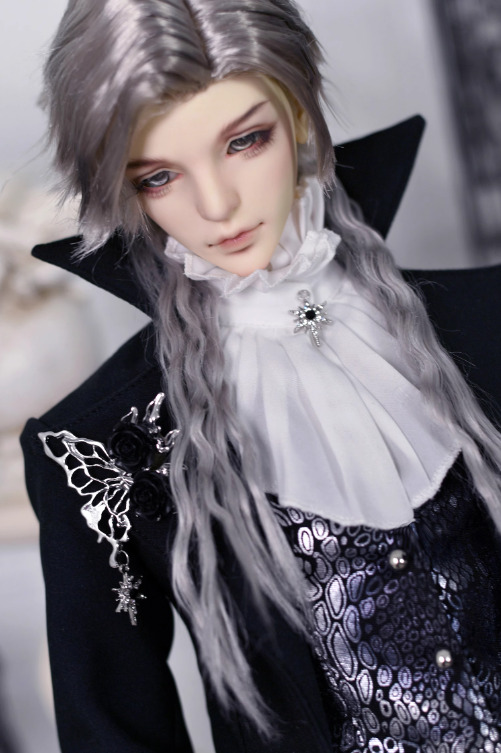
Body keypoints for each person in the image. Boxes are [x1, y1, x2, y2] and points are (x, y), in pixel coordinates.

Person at [20, 1, 501, 751]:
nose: (217, 205)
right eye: (158, 177)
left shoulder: (483, 319)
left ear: (299, 117)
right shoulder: (99, 450)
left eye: (245, 140)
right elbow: (114, 732)